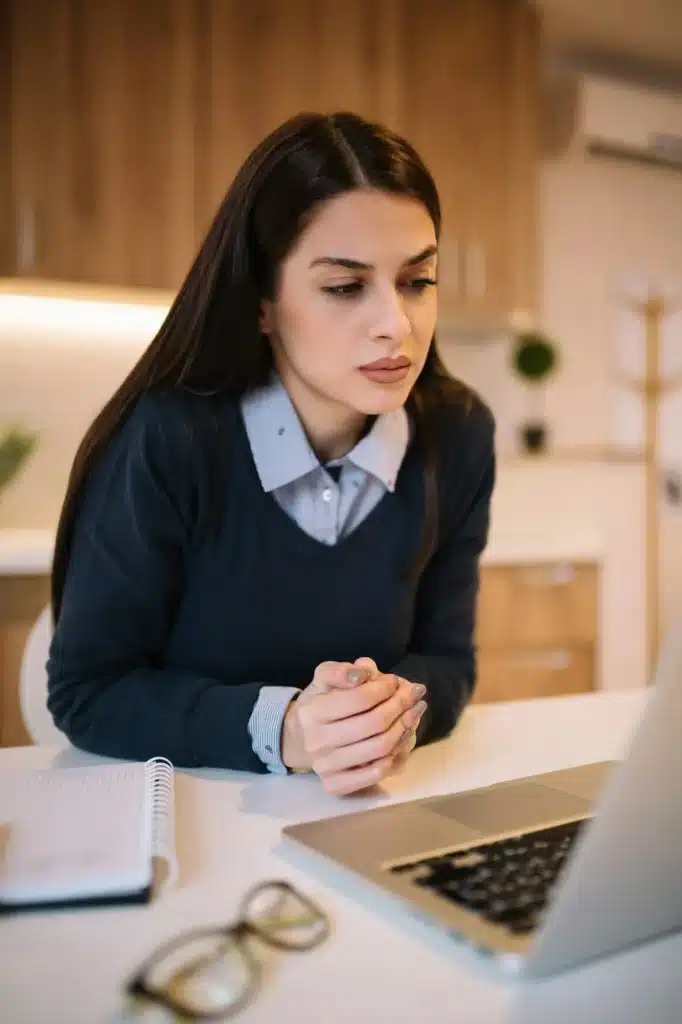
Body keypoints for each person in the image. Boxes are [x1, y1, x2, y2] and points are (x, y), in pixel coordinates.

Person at [47, 112, 495, 796]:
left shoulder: (458, 435)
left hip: (370, 817)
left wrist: (384, 712)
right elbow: (89, 692)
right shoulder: (171, 438)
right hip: (193, 824)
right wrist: (288, 728)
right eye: (346, 287)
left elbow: (448, 661)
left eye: (417, 281)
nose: (396, 326)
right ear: (262, 301)